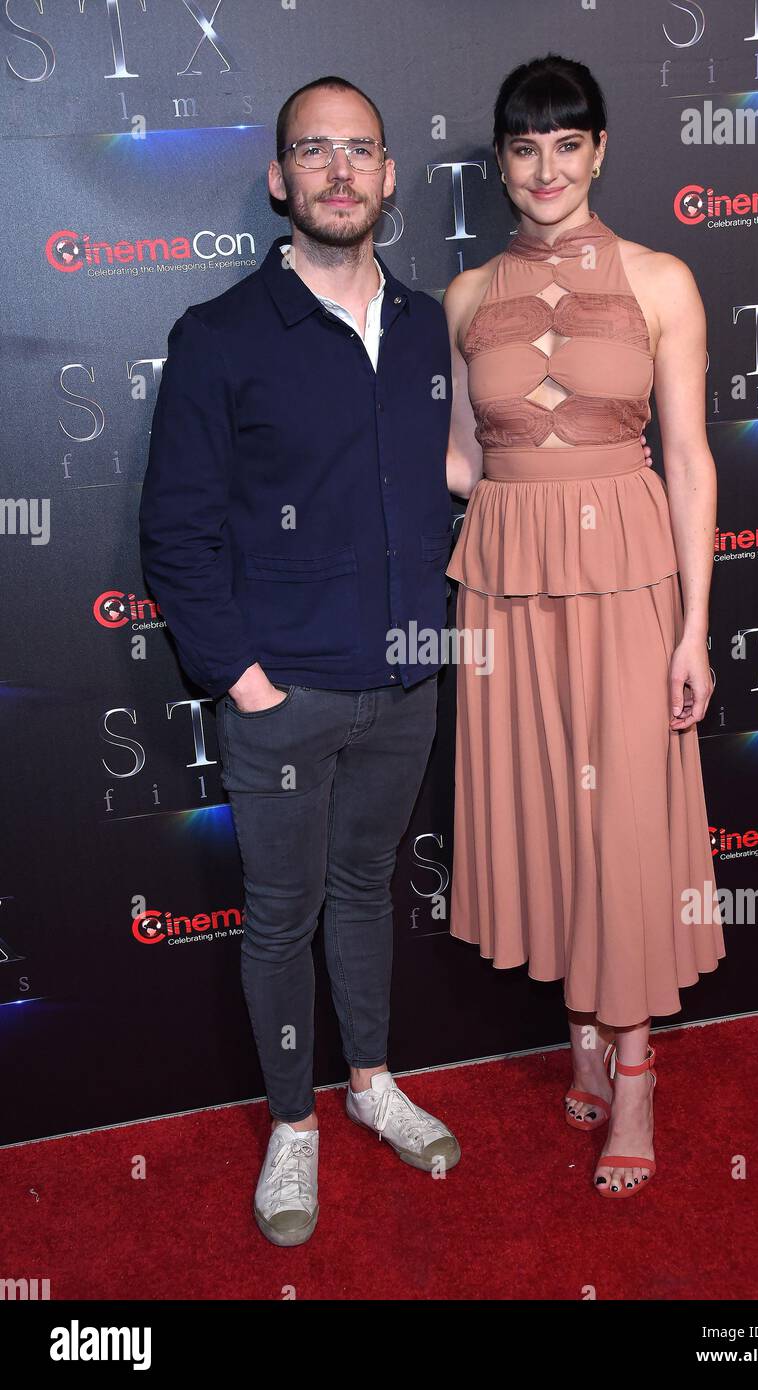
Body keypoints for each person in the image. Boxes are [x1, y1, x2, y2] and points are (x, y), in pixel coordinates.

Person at [139, 76, 461, 1246]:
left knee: (367, 893)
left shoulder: (427, 324)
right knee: (280, 920)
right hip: (280, 698)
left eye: (358, 152)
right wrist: (243, 678)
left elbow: (459, 472)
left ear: (387, 177)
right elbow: (176, 528)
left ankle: (369, 1080)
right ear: (280, 180)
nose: (337, 172)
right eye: (311, 153)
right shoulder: (221, 335)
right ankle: (293, 1123)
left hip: (404, 688)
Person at [443, 54, 725, 1199]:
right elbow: (463, 463)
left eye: (567, 143)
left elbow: (693, 459)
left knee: (625, 822)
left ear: (599, 149)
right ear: (500, 165)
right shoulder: (463, 300)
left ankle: (638, 1061)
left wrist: (694, 628)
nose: (545, 168)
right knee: (544, 806)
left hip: (626, 582)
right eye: (524, 148)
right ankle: (578, 1026)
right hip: (507, 582)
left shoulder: (662, 278)